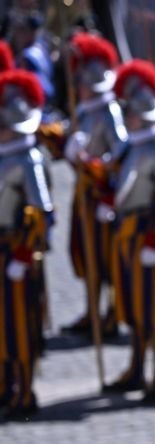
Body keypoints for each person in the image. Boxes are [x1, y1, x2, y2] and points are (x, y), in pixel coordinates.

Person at [103, 60, 155, 401]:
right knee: (132, 307)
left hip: (149, 236)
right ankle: (137, 366)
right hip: (126, 236)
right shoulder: (128, 145)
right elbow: (114, 181)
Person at [61, 32, 126, 339]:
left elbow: (120, 152)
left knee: (105, 257)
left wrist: (92, 162)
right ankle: (91, 309)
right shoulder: (83, 109)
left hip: (103, 196)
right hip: (83, 194)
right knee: (84, 254)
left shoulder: (108, 109)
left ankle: (112, 312)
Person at [0, 69, 55, 419]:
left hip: (18, 252)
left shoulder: (28, 157)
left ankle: (25, 388)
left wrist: (24, 252)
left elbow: (44, 213)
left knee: (21, 327)